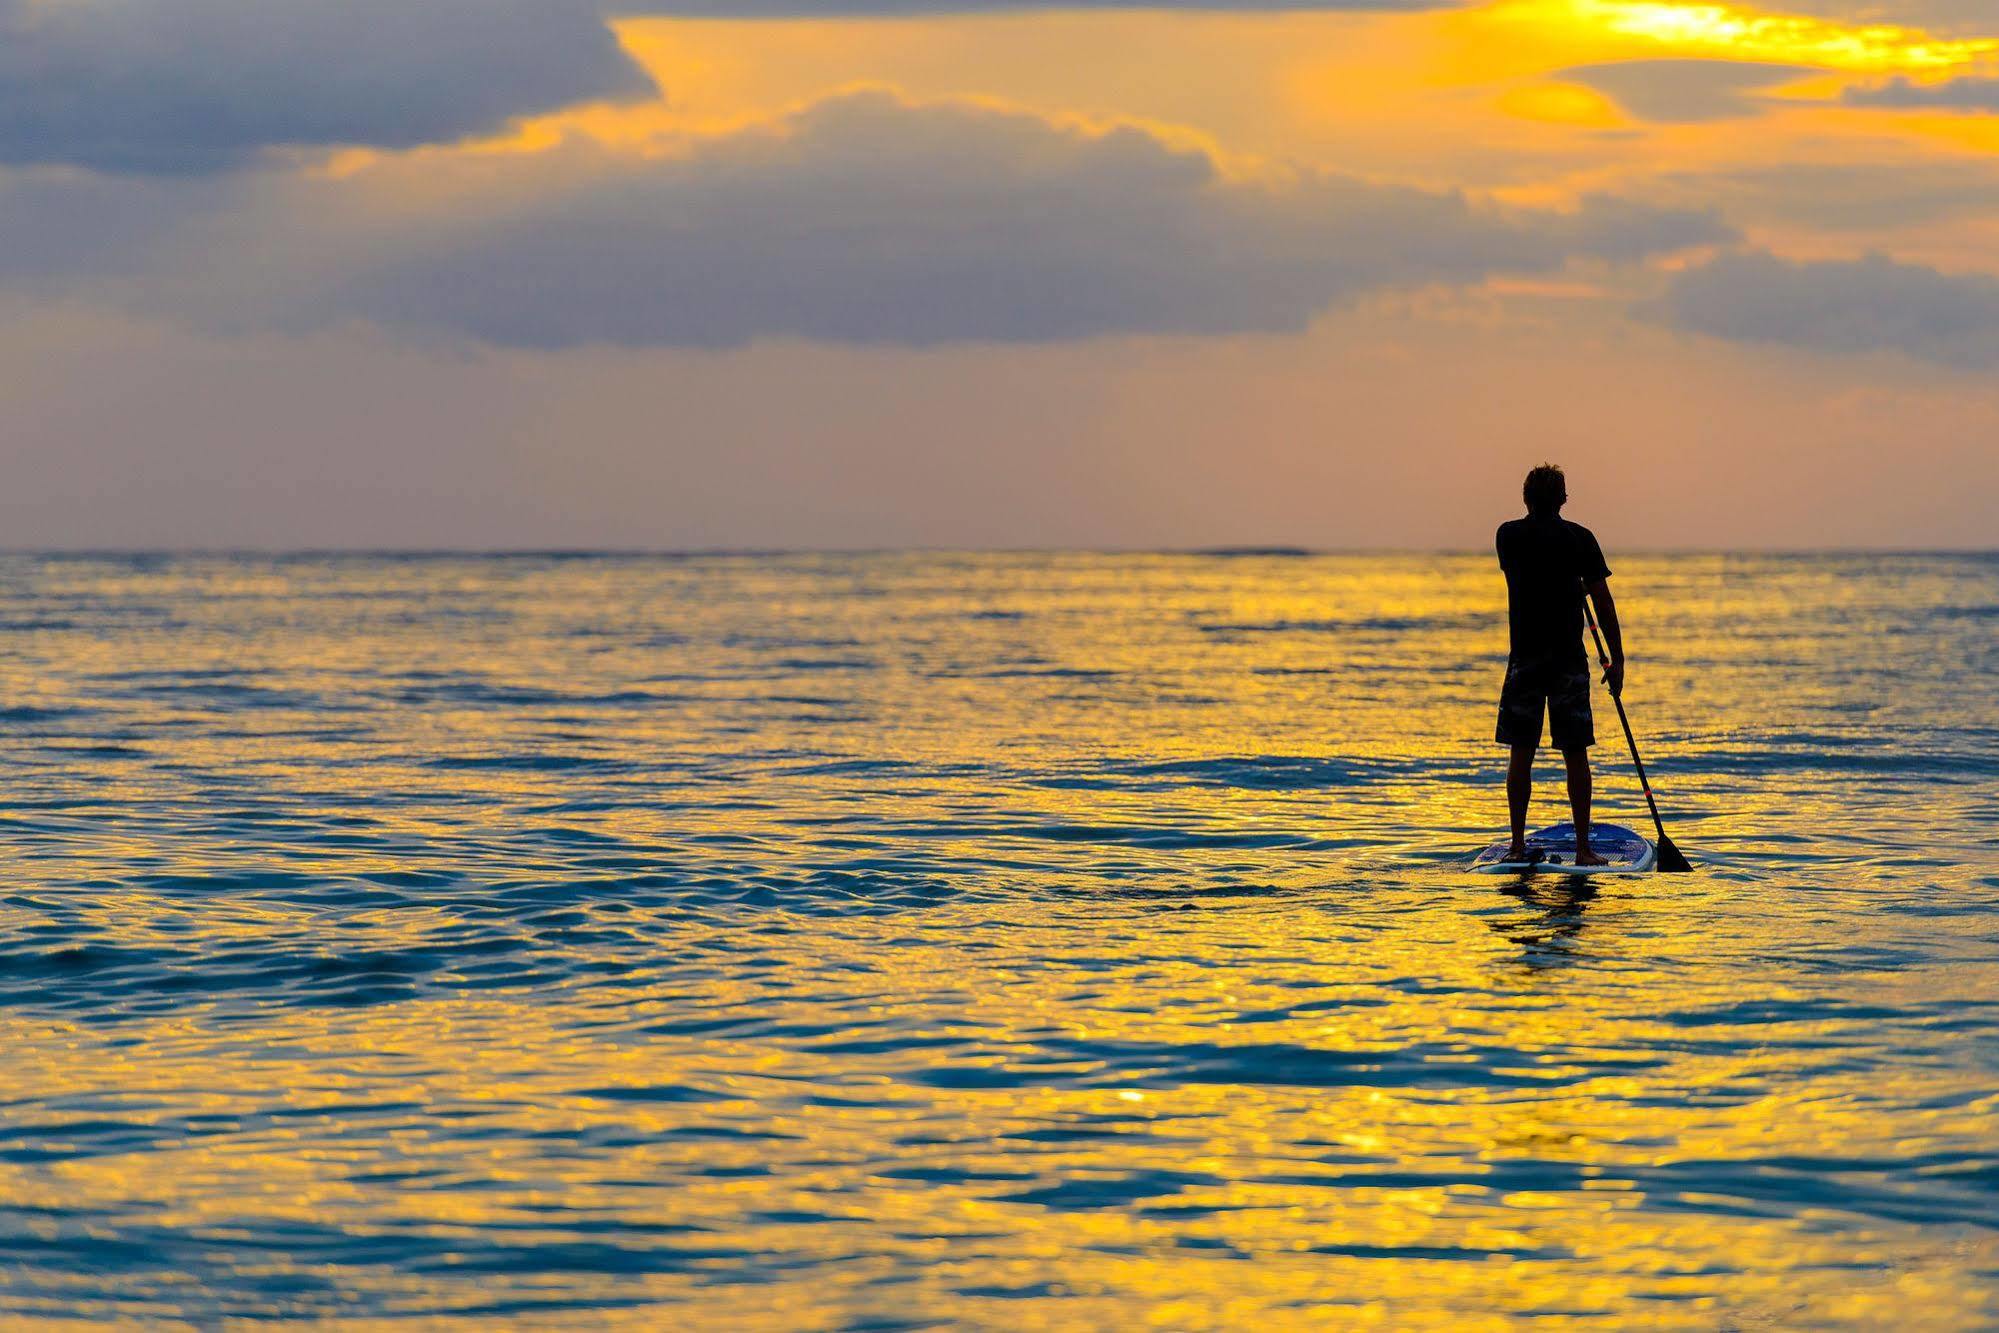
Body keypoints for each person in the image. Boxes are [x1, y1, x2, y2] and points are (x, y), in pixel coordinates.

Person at [1495, 463, 1622, 866]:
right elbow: (1603, 603)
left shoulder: (1508, 536)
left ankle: (1517, 845)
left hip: (1526, 660)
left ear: (1526, 499)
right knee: (1575, 754)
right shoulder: (1580, 539)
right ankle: (1584, 849)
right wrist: (1617, 659)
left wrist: (1570, 585)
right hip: (1568, 660)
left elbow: (1529, 577)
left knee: (1521, 752)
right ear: (1564, 498)